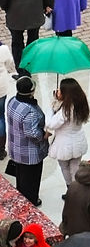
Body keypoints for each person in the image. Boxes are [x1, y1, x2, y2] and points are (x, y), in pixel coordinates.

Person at [5, 74, 46, 204]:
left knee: (21, 176)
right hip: (29, 153)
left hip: (15, 147)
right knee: (32, 178)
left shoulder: (12, 101)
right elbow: (32, 133)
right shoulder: (30, 111)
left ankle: (21, 195)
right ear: (31, 92)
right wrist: (44, 135)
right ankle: (31, 200)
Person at [46, 76, 89, 189]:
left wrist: (51, 107)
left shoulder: (66, 109)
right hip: (78, 140)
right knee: (75, 166)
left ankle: (71, 189)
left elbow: (51, 124)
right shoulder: (81, 104)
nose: (58, 91)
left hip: (64, 144)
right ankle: (78, 189)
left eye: (60, 90)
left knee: (64, 166)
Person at [61, 158, 90, 236]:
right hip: (88, 237)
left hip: (72, 231)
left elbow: (66, 210)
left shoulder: (73, 185)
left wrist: (65, 226)